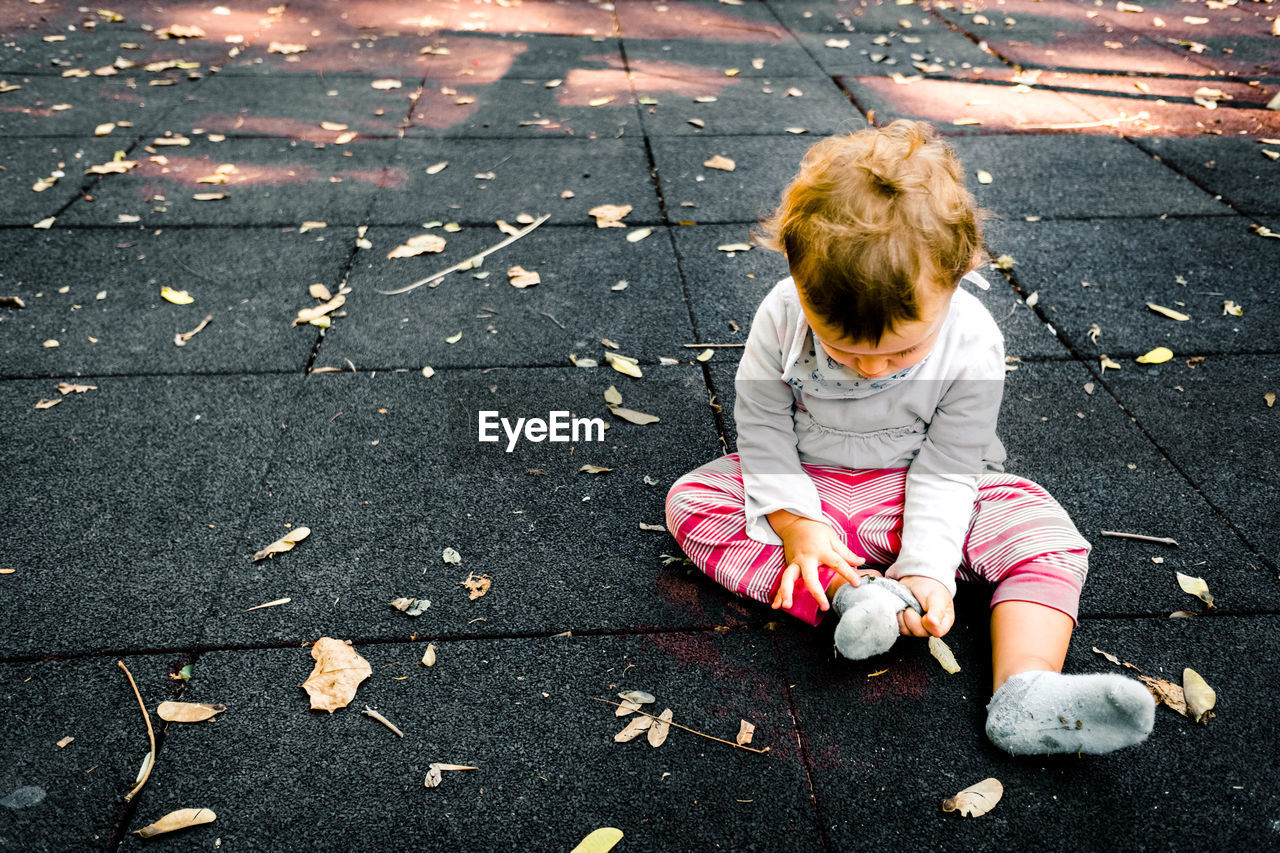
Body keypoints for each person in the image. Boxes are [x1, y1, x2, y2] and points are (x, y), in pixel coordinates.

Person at [665, 120, 1154, 755]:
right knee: (694, 499)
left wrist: (929, 567)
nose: (869, 368)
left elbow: (951, 466)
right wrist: (796, 525)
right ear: (796, 278)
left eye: (900, 352)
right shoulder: (782, 315)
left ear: (957, 279)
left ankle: (1027, 692)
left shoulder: (972, 342)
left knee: (1041, 529)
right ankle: (850, 598)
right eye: (841, 349)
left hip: (928, 494)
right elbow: (761, 427)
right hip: (816, 494)